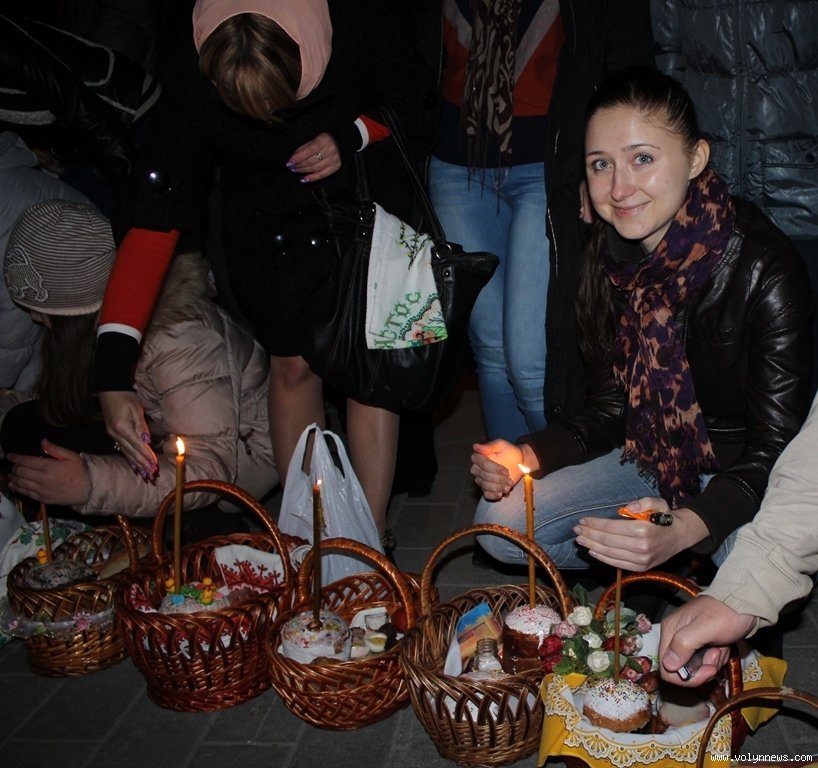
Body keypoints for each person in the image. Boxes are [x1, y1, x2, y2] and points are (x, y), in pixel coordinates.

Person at [89, 0, 439, 542]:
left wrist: (351, 135)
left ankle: (367, 539)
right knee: (292, 367)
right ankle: (310, 533)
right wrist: (112, 373)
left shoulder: (357, 18)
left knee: (369, 368)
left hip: (365, 202)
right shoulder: (185, 58)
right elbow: (157, 210)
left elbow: (416, 99)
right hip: (267, 219)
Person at [471, 67, 813, 573]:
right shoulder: (609, 257)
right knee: (498, 524)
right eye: (600, 164)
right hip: (651, 456)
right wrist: (525, 456)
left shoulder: (764, 267)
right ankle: (644, 568)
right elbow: (611, 410)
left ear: (695, 158)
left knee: (750, 562)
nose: (619, 188)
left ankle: (686, 571)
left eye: (643, 159)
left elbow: (778, 450)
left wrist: (690, 524)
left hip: (745, 473)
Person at [1, 199, 277, 519]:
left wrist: (90, 484)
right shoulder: (96, 326)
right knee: (22, 427)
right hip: (161, 427)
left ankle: (199, 533)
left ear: (79, 310)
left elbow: (209, 469)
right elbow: (59, 398)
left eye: (43, 311)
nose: (34, 317)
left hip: (235, 465)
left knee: (63, 470)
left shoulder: (179, 339)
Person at [651, 0, 818, 393]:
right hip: (707, 187)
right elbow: (666, 64)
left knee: (801, 365)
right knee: (712, 364)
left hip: (803, 186)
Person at [427, 0, 563, 441]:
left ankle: (566, 472)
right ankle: (510, 483)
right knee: (490, 351)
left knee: (528, 362)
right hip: (456, 164)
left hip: (544, 163)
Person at [659, 389, 818, 686]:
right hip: (667, 457)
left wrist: (691, 524)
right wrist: (739, 595)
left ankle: (762, 666)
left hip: (744, 466)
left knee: (729, 543)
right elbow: (811, 481)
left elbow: (770, 444)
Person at [0, 131, 89, 398]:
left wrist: (4, 382)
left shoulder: (8, 212)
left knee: (49, 369)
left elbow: (14, 324)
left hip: (76, 275)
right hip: (37, 277)